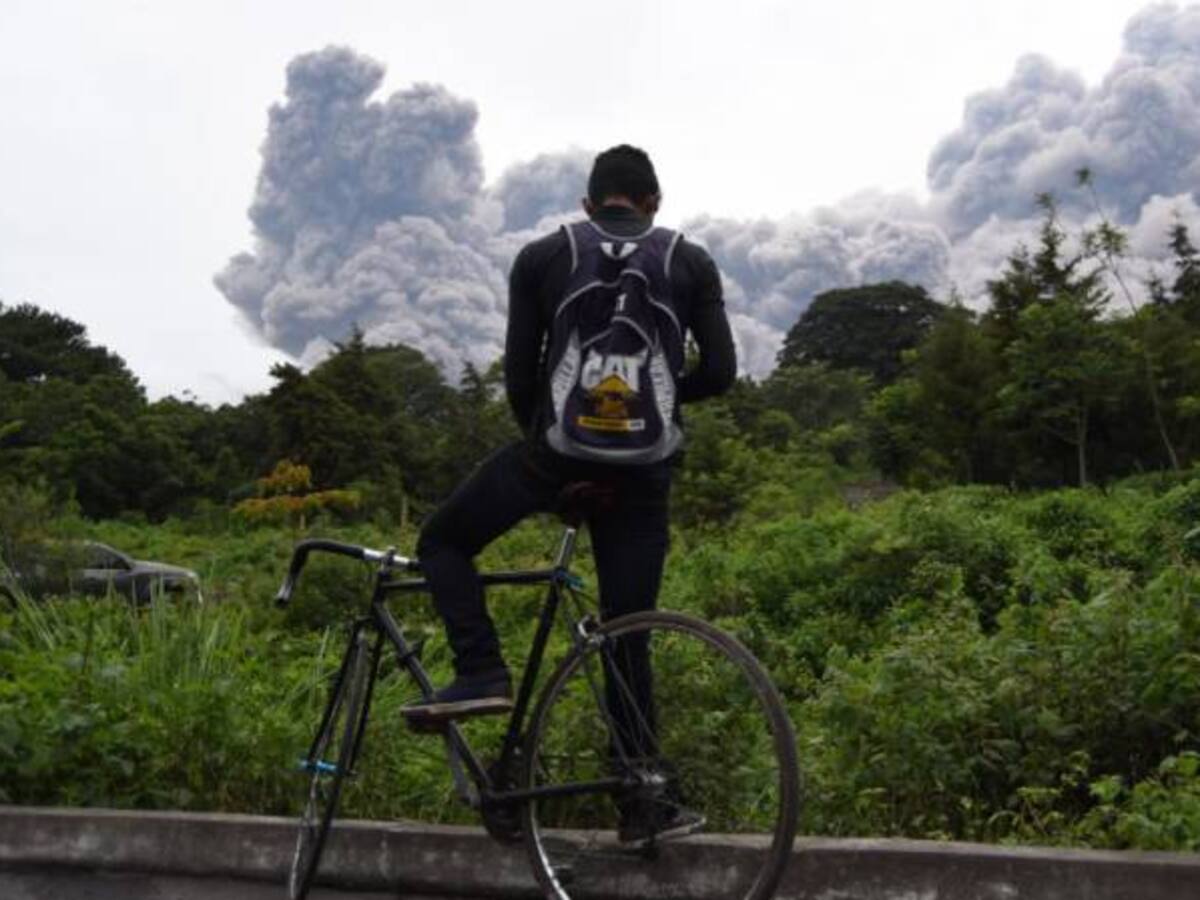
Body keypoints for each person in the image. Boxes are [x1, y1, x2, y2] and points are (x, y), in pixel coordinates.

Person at [404, 145, 735, 733]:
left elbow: (520, 381)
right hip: (644, 473)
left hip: (553, 461)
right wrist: (652, 401)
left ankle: (481, 670)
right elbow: (720, 373)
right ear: (654, 203)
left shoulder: (542, 256)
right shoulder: (692, 262)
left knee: (442, 544)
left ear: (587, 204)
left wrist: (554, 464)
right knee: (624, 635)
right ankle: (643, 803)